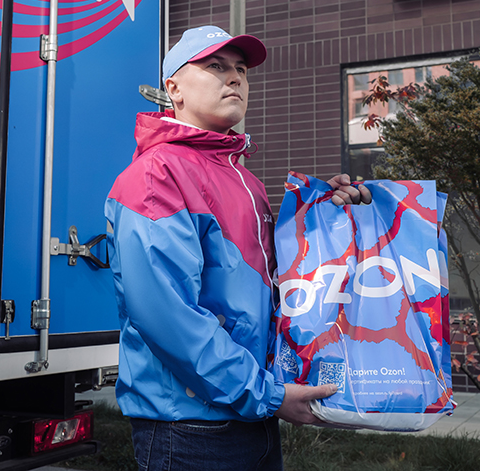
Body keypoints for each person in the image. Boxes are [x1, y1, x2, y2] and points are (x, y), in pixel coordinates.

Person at [104, 26, 371, 470]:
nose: (234, 78)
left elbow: (269, 281)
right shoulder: (156, 176)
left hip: (253, 414)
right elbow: (168, 317)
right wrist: (265, 394)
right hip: (189, 427)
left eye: (241, 69)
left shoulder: (244, 179)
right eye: (215, 66)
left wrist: (326, 216)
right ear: (174, 89)